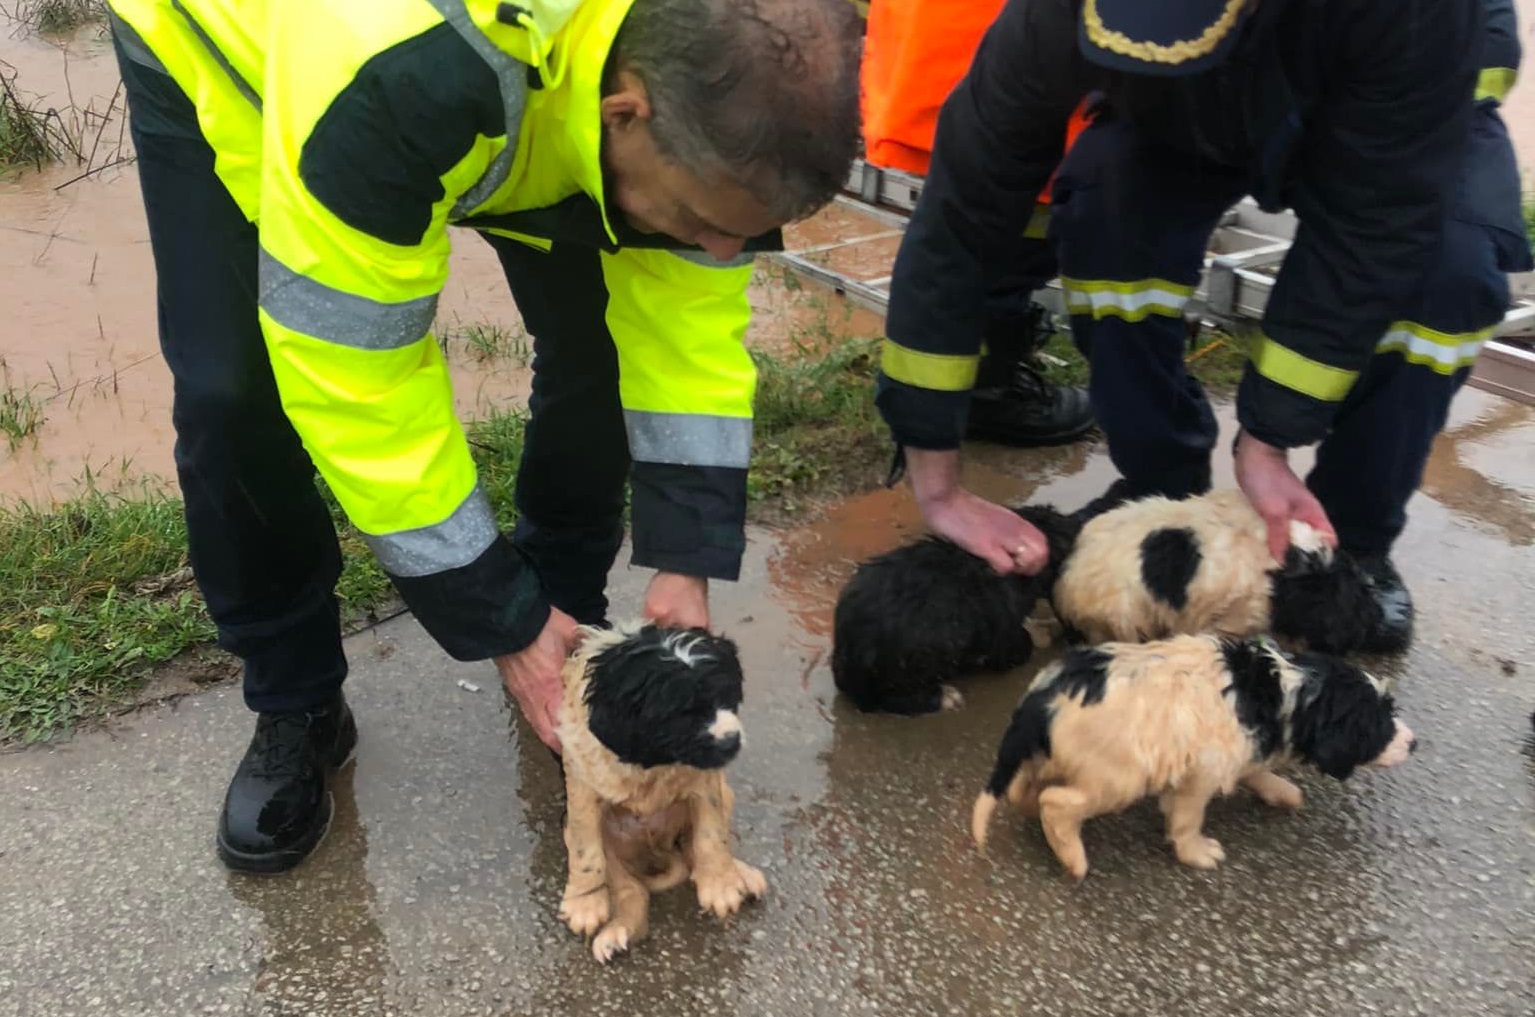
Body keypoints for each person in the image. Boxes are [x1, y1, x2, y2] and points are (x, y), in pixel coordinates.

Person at [101, 0, 862, 874]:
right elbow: (357, 380)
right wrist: (498, 618)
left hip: (542, 86)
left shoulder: (718, 63)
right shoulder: (396, 70)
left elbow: (687, 329)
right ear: (626, 112)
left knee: (603, 345)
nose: (720, 252)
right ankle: (295, 700)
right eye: (703, 219)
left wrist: (684, 559)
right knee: (238, 394)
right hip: (251, 52)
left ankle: (566, 622)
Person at [875, 0, 1532, 646]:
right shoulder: (1051, 15)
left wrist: (1268, 437)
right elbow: (958, 214)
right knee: (1106, 208)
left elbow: (1374, 223)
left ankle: (1347, 541)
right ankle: (1158, 482)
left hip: (1403, 89)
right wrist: (938, 488)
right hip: (1195, 103)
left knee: (1444, 270)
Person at [859, 0, 1096, 448]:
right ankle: (986, 388)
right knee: (1010, 232)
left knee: (970, 224)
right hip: (1011, 60)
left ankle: (972, 381)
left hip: (942, 48)